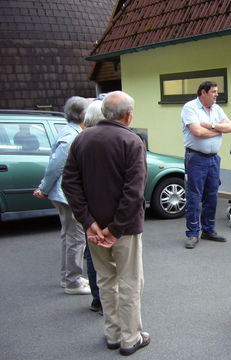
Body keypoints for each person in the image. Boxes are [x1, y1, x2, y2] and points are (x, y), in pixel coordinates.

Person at [62, 91, 150, 356]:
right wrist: (115, 228)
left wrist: (89, 222)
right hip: (123, 230)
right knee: (130, 282)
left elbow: (70, 184)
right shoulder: (132, 141)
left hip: (95, 229)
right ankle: (130, 337)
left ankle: (112, 334)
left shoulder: (82, 140)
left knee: (106, 281)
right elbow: (134, 192)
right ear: (128, 115)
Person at [33, 96, 91, 295]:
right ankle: (72, 281)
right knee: (75, 238)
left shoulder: (70, 131)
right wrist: (44, 187)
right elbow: (55, 167)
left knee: (69, 236)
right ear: (83, 114)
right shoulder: (72, 137)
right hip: (67, 195)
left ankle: (69, 276)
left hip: (62, 194)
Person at [181, 80, 231, 249]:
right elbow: (197, 132)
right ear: (203, 93)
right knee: (194, 197)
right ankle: (192, 233)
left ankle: (208, 230)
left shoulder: (216, 109)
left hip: (213, 158)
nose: (217, 94)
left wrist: (211, 126)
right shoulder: (190, 108)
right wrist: (219, 130)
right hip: (196, 158)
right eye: (213, 92)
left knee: (212, 195)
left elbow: (230, 127)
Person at [82, 99, 106, 314]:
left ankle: (97, 298)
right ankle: (103, 299)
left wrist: (85, 218)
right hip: (106, 214)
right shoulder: (109, 140)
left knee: (91, 252)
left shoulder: (79, 140)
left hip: (87, 212)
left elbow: (70, 182)